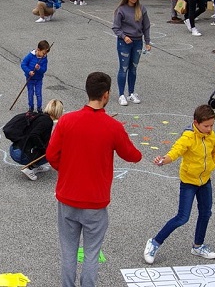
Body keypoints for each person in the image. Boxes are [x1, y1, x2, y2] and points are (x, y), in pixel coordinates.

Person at [46, 71, 142, 287]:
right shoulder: (112, 126)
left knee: (68, 252)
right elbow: (132, 155)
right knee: (91, 253)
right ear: (106, 95)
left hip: (68, 198)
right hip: (95, 203)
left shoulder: (67, 121)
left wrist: (67, 170)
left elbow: (52, 155)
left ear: (88, 91)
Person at [144, 104, 215, 264]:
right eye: (206, 126)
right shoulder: (188, 137)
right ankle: (154, 242)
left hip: (205, 181)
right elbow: (175, 152)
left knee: (206, 213)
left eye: (212, 125)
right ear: (196, 123)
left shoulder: (211, 135)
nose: (210, 129)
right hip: (189, 182)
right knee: (182, 217)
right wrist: (163, 160)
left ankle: (197, 246)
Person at [112, 0, 152, 107]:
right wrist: (124, 36)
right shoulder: (121, 10)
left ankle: (131, 93)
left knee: (133, 68)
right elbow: (116, 27)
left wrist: (148, 42)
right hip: (124, 42)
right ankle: (121, 95)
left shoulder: (141, 9)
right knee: (123, 68)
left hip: (137, 42)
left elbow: (146, 26)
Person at [9, 99, 65, 180]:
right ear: (58, 111)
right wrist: (44, 149)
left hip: (16, 148)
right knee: (50, 152)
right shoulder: (47, 122)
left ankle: (36, 166)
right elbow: (34, 135)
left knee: (46, 146)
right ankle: (29, 168)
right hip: (20, 154)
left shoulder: (41, 117)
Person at [21, 40, 51, 113]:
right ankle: (31, 107)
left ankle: (39, 108)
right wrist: (29, 71)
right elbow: (23, 64)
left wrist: (39, 68)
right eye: (43, 53)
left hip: (38, 79)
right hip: (30, 78)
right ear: (38, 49)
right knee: (30, 93)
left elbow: (44, 69)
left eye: (46, 53)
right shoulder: (30, 56)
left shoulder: (44, 59)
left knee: (38, 94)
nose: (44, 55)